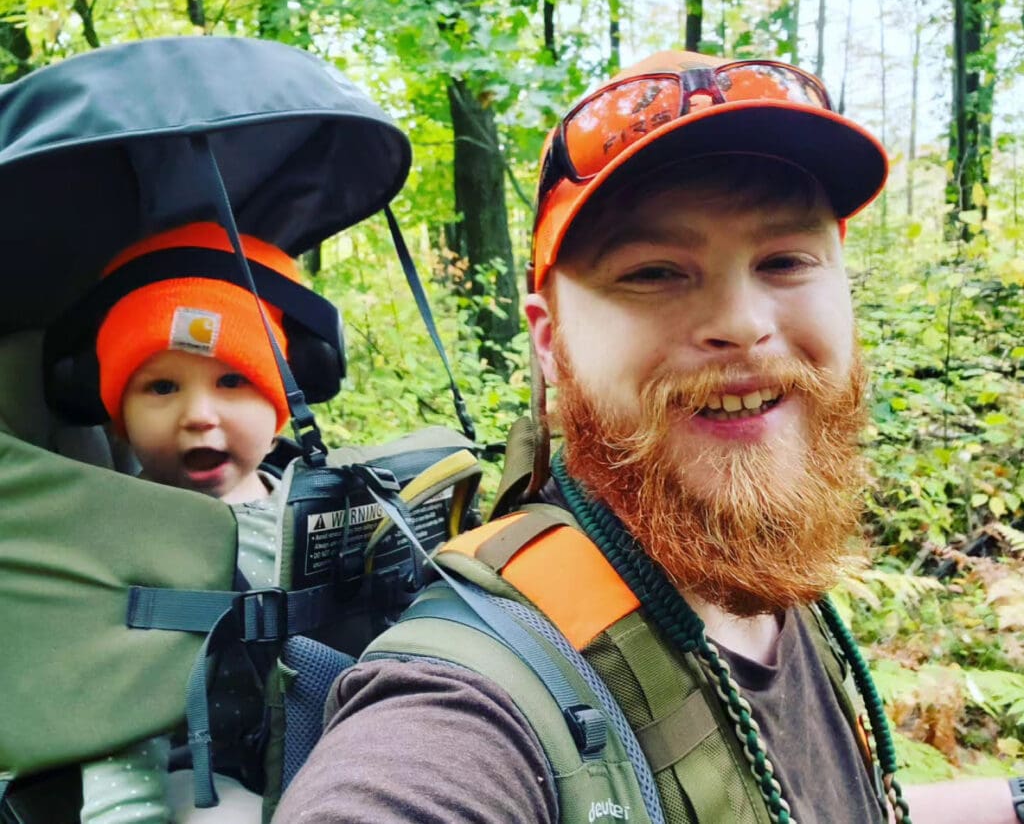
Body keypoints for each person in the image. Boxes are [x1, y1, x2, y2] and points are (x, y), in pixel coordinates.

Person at [273, 51, 1023, 824]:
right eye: (655, 272)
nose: (742, 324)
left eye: (786, 260)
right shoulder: (471, 703)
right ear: (551, 345)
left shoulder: (755, 564)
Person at [79, 221, 297, 824]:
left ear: (278, 404)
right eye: (162, 386)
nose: (199, 415)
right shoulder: (124, 539)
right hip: (196, 776)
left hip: (330, 755)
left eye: (232, 380)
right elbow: (116, 724)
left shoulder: (307, 510)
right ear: (119, 415)